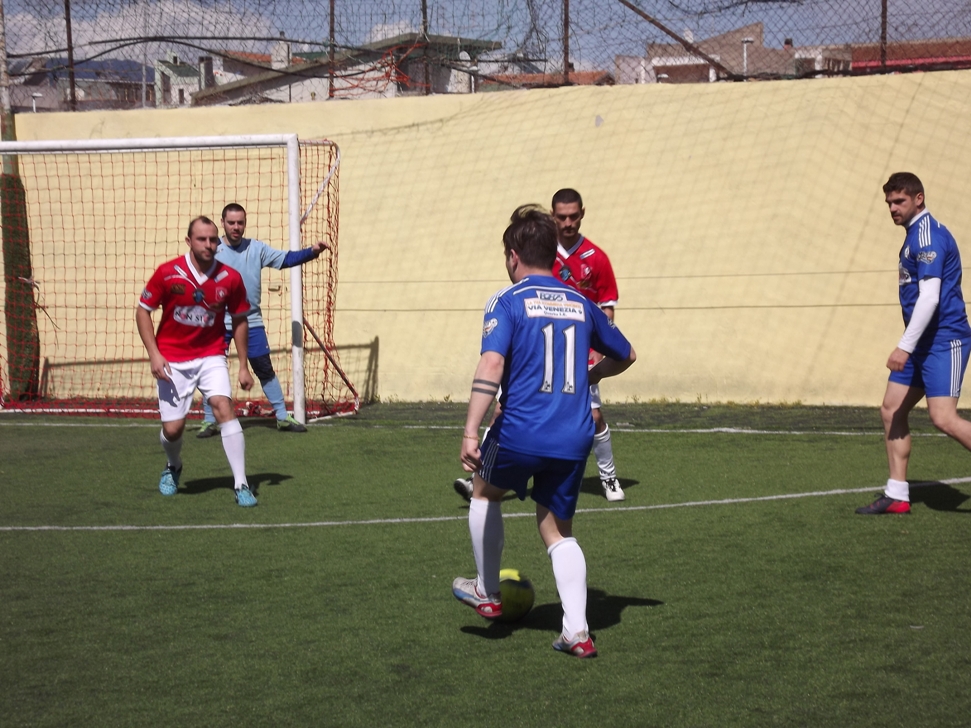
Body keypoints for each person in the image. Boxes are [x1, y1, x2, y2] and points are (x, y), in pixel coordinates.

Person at [452, 204, 636, 658]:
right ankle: (577, 632)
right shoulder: (580, 303)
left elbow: (492, 363)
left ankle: (487, 590)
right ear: (552, 254)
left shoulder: (507, 300)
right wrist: (592, 376)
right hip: (573, 435)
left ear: (513, 256)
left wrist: (471, 430)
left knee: (483, 492)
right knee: (557, 530)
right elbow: (627, 354)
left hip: (521, 430)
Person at [453, 188, 628, 503]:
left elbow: (607, 310)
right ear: (552, 216)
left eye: (573, 216)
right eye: (561, 217)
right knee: (503, 408)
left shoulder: (595, 258)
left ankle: (608, 476)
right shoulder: (543, 250)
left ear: (582, 214)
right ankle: (483, 471)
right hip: (539, 353)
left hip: (577, 355)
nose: (568, 223)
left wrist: (594, 362)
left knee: (594, 416)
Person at [857, 172, 971, 515]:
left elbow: (930, 298)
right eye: (889, 203)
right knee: (891, 410)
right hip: (922, 342)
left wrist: (904, 347)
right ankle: (897, 495)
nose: (893, 208)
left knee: (943, 418)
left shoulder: (927, 236)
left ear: (918, 199)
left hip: (944, 340)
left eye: (899, 201)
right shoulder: (913, 235)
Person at [136, 216, 258, 507]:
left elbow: (240, 320)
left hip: (211, 355)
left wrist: (243, 365)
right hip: (172, 360)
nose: (208, 244)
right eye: (202, 239)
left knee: (223, 407)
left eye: (213, 239)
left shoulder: (230, 278)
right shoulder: (167, 273)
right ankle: (173, 465)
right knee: (173, 430)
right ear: (189, 241)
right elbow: (143, 311)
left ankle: (241, 484)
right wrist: (154, 354)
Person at [196, 203, 329, 438]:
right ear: (222, 223)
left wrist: (312, 252)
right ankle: (209, 421)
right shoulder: (212, 251)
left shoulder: (256, 248)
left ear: (244, 223)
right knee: (212, 371)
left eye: (240, 223)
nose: (236, 227)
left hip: (251, 321)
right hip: (217, 322)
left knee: (264, 367)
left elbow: (286, 259)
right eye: (231, 222)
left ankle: (282, 417)